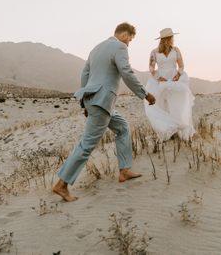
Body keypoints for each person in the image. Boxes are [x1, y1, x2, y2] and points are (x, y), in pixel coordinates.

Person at [52, 22, 156, 202]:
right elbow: (126, 71)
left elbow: (85, 75)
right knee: (87, 144)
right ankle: (62, 184)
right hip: (102, 101)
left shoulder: (96, 49)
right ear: (124, 34)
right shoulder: (120, 46)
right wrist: (145, 94)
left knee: (122, 127)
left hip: (95, 100)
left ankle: (124, 170)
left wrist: (85, 104)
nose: (129, 43)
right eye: (130, 39)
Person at [144, 28, 196, 141]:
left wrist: (178, 75)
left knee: (175, 102)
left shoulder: (176, 50)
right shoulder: (154, 52)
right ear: (169, 38)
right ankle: (167, 128)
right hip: (160, 79)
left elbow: (181, 65)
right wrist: (159, 78)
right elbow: (151, 68)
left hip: (173, 78)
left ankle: (178, 128)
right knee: (161, 103)